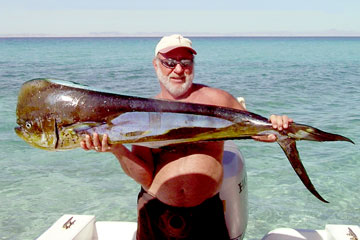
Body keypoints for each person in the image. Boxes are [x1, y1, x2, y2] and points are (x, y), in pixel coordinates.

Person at [81, 34, 293, 240]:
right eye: (169, 62)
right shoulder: (144, 113)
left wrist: (275, 123)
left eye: (186, 61)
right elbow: (144, 176)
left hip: (206, 212)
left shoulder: (219, 99)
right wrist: (116, 149)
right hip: (155, 213)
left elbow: (261, 134)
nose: (179, 69)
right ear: (156, 65)